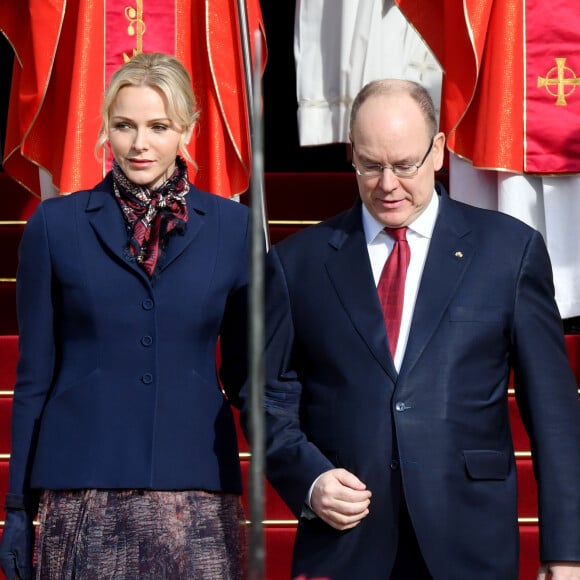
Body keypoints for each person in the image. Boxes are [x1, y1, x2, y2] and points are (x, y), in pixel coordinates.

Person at [242, 79, 580, 579]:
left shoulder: (508, 252)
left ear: (438, 151)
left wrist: (566, 551)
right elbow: (264, 396)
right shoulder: (299, 264)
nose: (388, 184)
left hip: (469, 536)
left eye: (404, 165)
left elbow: (554, 414)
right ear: (351, 154)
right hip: (347, 539)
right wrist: (309, 479)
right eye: (371, 165)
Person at [0, 52, 249, 579]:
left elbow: (253, 375)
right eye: (124, 125)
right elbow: (33, 378)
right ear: (105, 129)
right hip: (83, 493)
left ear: (187, 129)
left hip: (196, 493)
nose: (140, 144)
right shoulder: (55, 225)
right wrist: (17, 506)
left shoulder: (234, 228)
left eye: (158, 127)